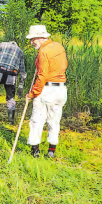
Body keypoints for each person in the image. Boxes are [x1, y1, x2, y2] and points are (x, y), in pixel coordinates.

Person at [25, 25, 68, 158]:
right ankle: (51, 152)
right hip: (61, 89)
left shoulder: (43, 52)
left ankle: (35, 152)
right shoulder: (59, 46)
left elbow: (42, 76)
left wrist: (32, 94)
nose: (31, 42)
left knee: (37, 120)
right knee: (54, 120)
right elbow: (64, 65)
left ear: (42, 37)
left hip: (47, 90)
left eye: (33, 39)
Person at [0, 40, 27, 124]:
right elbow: (22, 70)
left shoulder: (2, 44)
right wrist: (21, 86)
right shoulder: (20, 52)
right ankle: (10, 122)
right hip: (12, 74)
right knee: (10, 97)